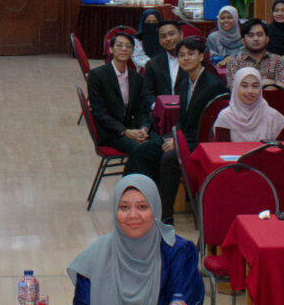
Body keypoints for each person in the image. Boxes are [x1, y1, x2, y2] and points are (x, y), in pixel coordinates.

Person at [67, 175, 202, 305]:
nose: (133, 215)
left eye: (142, 207)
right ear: (115, 212)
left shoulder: (178, 253)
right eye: (124, 207)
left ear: (155, 209)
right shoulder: (93, 257)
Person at [156, 36, 227, 222]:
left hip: (202, 143)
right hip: (185, 137)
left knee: (169, 158)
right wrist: (175, 138)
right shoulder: (183, 81)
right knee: (147, 149)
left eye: (190, 54)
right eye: (181, 55)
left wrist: (179, 144)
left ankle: (166, 217)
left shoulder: (213, 86)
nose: (186, 58)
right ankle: (144, 203)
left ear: (201, 57)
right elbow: (181, 119)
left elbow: (206, 132)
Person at [87, 30, 164, 189]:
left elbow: (141, 109)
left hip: (132, 127)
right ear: (111, 49)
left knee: (160, 143)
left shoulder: (136, 78)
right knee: (143, 150)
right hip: (110, 132)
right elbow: (100, 113)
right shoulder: (97, 75)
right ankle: (130, 189)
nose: (124, 49)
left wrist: (143, 128)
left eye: (128, 46)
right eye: (119, 45)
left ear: (132, 51)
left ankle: (152, 189)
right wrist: (125, 131)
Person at [213, 66, 284, 145]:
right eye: (244, 86)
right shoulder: (226, 117)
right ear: (236, 88)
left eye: (255, 86)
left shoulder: (273, 116)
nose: (250, 91)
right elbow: (222, 149)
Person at [227, 20, 284, 89]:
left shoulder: (277, 60)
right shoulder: (235, 62)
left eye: (260, 35)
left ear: (267, 39)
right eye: (250, 35)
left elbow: (283, 87)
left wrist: (249, 86)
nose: (256, 39)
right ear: (243, 41)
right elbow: (234, 89)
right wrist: (262, 83)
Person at [140, 18, 185, 100]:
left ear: (181, 35)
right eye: (163, 36)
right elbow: (147, 93)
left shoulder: (193, 60)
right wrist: (156, 105)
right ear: (159, 41)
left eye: (171, 34)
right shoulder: (152, 64)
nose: (168, 39)